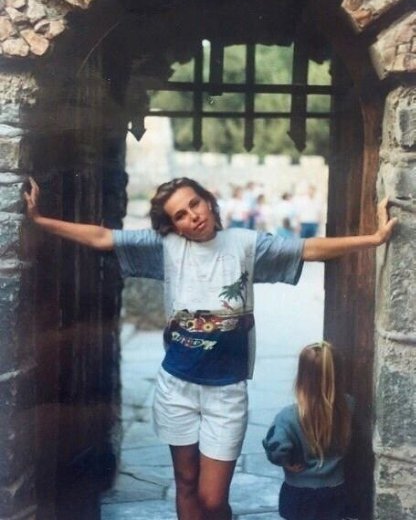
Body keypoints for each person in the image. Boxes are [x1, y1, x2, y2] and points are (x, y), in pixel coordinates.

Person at [24, 176, 396, 520]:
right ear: (173, 225)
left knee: (214, 500)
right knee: (186, 484)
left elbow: (309, 248)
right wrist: (39, 220)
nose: (193, 216)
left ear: (208, 201)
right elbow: (102, 238)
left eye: (195, 204)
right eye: (180, 215)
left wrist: (374, 239)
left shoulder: (246, 244)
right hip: (176, 388)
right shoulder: (165, 247)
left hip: (226, 392)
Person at [262, 341, 357, 520]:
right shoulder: (349, 407)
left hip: (299, 493)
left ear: (301, 378)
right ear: (338, 376)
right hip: (335, 488)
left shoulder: (287, 417)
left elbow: (276, 449)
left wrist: (286, 462)